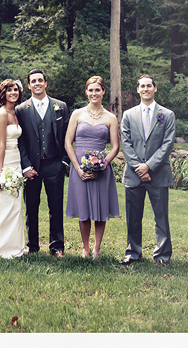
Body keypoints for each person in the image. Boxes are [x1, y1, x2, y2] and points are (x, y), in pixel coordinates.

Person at [119, 75, 177, 265]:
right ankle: (133, 252)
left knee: (161, 216)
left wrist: (149, 166)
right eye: (142, 86)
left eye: (149, 86)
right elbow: (125, 143)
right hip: (134, 175)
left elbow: (168, 143)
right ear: (138, 89)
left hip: (158, 174)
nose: (146, 89)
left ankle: (162, 254)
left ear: (155, 88)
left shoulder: (167, 115)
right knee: (133, 217)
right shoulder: (128, 115)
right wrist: (139, 167)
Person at [64, 76, 121, 259]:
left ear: (103, 91)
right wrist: (78, 168)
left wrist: (102, 166)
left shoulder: (111, 118)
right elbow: (67, 142)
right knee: (84, 209)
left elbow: (115, 147)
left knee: (100, 209)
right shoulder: (77, 114)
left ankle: (97, 248)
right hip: (79, 167)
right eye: (91, 90)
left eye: (97, 90)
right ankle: (85, 247)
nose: (94, 93)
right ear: (86, 92)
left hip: (101, 170)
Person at [16, 69, 70, 256]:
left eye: (40, 80)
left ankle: (57, 246)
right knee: (31, 207)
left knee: (55, 206)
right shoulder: (21, 109)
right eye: (33, 81)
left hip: (54, 163)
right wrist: (25, 166)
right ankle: (32, 245)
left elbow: (66, 136)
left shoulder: (60, 106)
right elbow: (20, 141)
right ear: (29, 85)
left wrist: (64, 161)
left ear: (46, 83)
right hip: (32, 166)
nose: (37, 83)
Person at [0, 79, 27, 259]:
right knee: (6, 205)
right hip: (4, 162)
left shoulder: (15, 113)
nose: (13, 93)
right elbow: (0, 146)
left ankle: (15, 247)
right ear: (3, 93)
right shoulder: (1, 114)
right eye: (9, 90)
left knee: (16, 206)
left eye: (15, 90)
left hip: (16, 161)